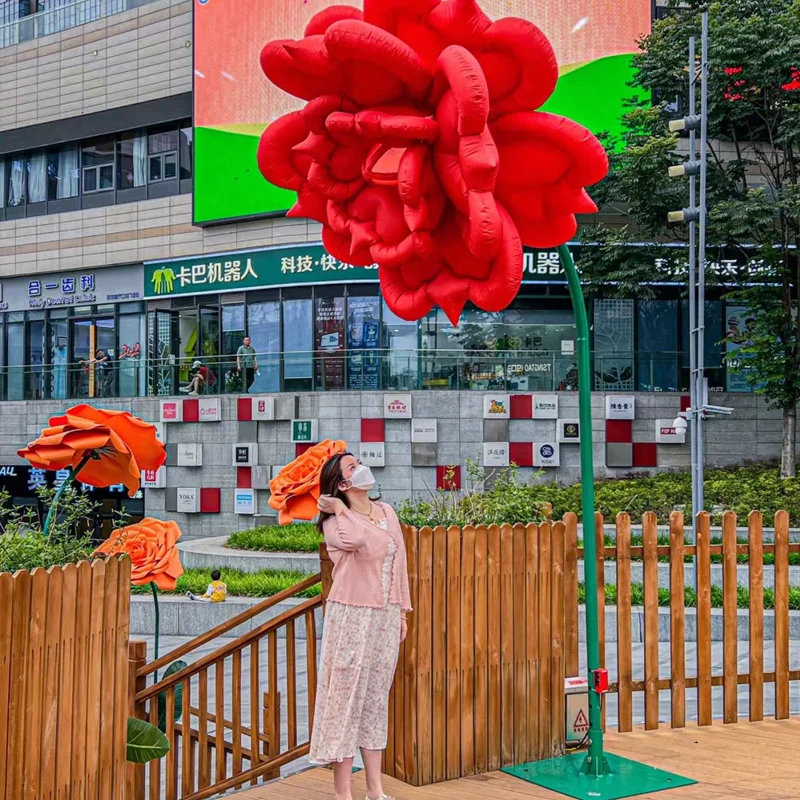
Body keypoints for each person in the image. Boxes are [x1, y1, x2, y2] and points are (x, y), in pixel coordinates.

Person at [311, 453, 411, 800]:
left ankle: (375, 790)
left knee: (374, 698)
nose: (361, 467)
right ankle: (343, 793)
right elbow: (355, 541)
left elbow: (400, 562)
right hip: (351, 615)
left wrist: (401, 611)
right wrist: (340, 510)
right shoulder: (335, 523)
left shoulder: (387, 512)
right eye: (352, 467)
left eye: (359, 462)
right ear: (342, 484)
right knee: (345, 698)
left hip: (385, 613)